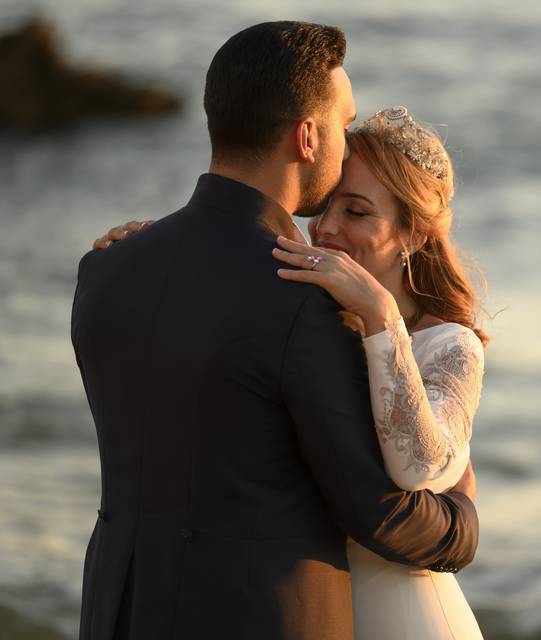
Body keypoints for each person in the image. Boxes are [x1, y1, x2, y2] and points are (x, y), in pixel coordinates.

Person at [72, 22, 480, 640]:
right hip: (264, 616)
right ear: (307, 136)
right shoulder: (303, 301)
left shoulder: (106, 269)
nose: (347, 144)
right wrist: (463, 522)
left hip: (119, 611)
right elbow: (376, 511)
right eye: (342, 127)